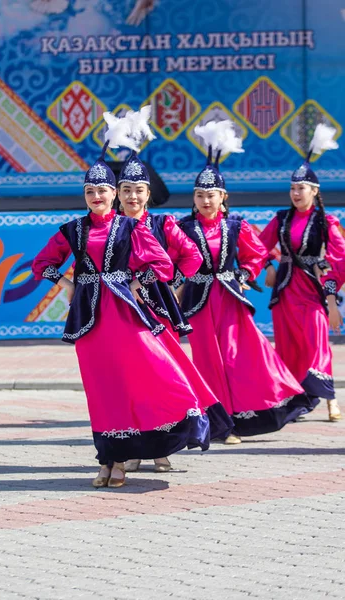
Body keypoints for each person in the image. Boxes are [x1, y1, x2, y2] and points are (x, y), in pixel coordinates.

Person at [32, 113, 232, 488]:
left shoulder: (129, 227)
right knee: (102, 387)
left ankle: (153, 443)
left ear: (114, 194)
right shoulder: (73, 229)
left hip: (126, 314)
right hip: (89, 319)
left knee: (149, 373)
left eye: (103, 191)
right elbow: (41, 264)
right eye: (89, 192)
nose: (96, 197)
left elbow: (160, 262)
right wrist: (66, 283)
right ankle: (110, 458)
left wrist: (140, 282)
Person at [177, 120, 311, 443]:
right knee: (207, 359)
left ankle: (253, 412)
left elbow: (255, 255)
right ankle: (219, 424)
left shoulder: (235, 225)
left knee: (240, 357)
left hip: (229, 297)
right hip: (197, 299)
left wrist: (245, 275)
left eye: (211, 195)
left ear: (223, 197)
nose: (205, 201)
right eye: (199, 195)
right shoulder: (181, 227)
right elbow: (171, 260)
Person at [116, 145, 204, 472]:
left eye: (138, 190)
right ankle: (135, 448)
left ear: (148, 194)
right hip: (120, 313)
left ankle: (161, 448)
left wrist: (173, 284)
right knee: (128, 381)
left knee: (159, 378)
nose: (132, 196)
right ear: (117, 194)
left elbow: (192, 256)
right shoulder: (107, 228)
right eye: (126, 190)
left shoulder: (163, 225)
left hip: (156, 314)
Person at [259, 124, 345, 422]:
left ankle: (330, 397)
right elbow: (256, 246)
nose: (296, 193)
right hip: (284, 291)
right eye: (293, 188)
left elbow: (339, 257)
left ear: (314, 191)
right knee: (289, 348)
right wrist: (269, 265)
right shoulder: (282, 218)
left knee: (318, 343)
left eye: (301, 188)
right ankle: (297, 399)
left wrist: (332, 299)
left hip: (311, 291)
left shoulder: (326, 221)